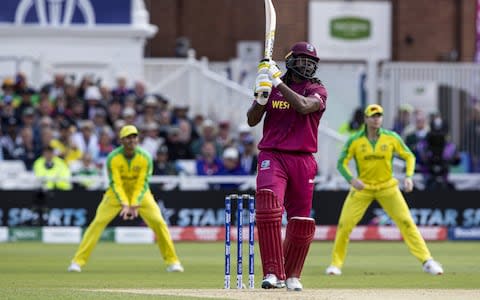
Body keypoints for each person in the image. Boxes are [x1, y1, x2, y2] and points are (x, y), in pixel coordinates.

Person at [325, 104, 443, 276]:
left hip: (388, 187)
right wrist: (351, 179)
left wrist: (409, 177)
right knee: (344, 225)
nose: (376, 119)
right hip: (363, 188)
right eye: (372, 116)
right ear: (366, 119)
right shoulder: (355, 140)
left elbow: (409, 156)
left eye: (379, 115)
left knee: (406, 223)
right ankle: (336, 264)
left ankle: (427, 261)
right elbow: (341, 163)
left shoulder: (391, 137)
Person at [247, 41, 327, 291]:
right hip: (273, 155)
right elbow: (251, 120)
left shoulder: (317, 89)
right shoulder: (273, 86)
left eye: (311, 62)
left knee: (301, 220)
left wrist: (277, 82)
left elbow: (303, 107)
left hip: (303, 159)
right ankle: (273, 272)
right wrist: (261, 94)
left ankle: (292, 274)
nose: (308, 65)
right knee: (269, 206)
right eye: (303, 60)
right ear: (291, 61)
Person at [67, 125, 184, 273]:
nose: (132, 140)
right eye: (128, 137)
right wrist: (124, 203)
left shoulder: (145, 157)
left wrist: (134, 203)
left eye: (134, 137)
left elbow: (142, 183)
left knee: (159, 222)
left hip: (141, 194)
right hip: (115, 195)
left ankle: (173, 261)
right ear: (121, 140)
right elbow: (116, 183)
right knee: (97, 223)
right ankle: (77, 262)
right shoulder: (113, 158)